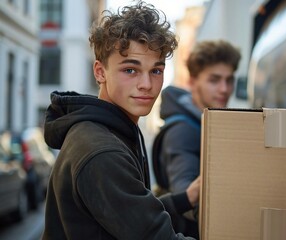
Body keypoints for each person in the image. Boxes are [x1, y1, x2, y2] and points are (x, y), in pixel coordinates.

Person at [41, 2, 200, 239]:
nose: (146, 84)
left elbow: (132, 213)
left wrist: (185, 198)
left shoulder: (111, 130)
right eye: (130, 70)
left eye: (156, 71)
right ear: (100, 72)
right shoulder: (102, 150)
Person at [154, 40, 241, 238]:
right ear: (192, 82)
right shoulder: (183, 131)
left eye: (229, 80)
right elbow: (185, 192)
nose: (224, 89)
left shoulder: (207, 123)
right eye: (214, 80)